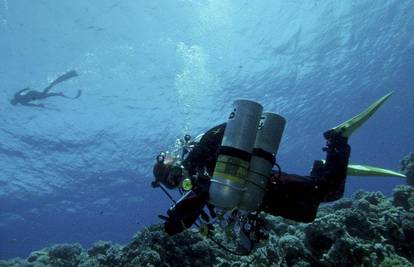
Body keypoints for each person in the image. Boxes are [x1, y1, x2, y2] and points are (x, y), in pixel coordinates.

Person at [151, 93, 404, 252]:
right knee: (311, 210)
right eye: (172, 183)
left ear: (177, 163)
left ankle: (337, 139)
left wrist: (178, 219)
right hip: (261, 194)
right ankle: (330, 167)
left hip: (265, 183)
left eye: (173, 175)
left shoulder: (198, 159)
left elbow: (199, 196)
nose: (178, 181)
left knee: (327, 189)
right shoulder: (198, 173)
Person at [10, 70, 81, 107]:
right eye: (15, 103)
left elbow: (20, 91)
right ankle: (58, 93)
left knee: (45, 93)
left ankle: (56, 87)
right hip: (35, 96)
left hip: (33, 94)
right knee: (45, 95)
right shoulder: (23, 103)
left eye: (14, 102)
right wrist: (38, 106)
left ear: (13, 100)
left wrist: (26, 88)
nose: (16, 102)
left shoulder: (16, 96)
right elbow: (32, 105)